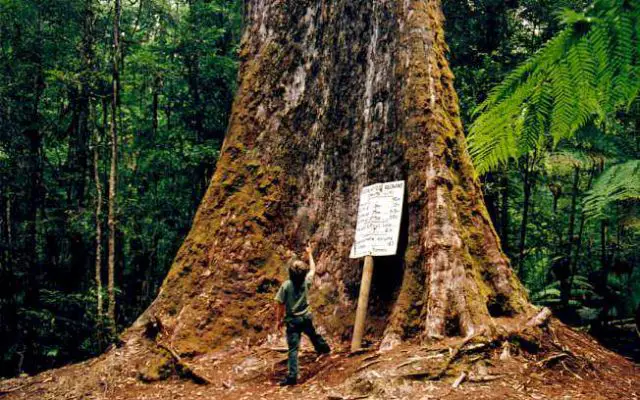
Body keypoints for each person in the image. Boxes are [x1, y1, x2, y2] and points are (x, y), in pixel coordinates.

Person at [274, 244, 331, 386]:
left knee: (293, 349)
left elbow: (280, 304)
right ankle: (323, 348)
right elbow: (313, 268)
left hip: (292, 321)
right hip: (306, 317)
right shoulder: (306, 281)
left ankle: (292, 376)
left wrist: (279, 320)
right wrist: (310, 253)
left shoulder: (286, 286)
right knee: (312, 334)